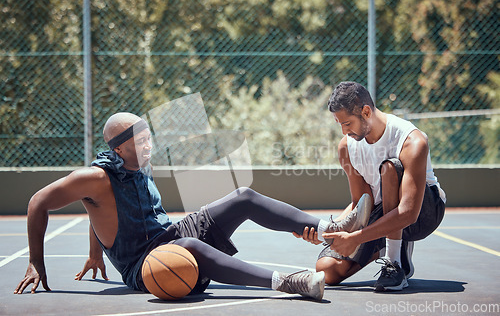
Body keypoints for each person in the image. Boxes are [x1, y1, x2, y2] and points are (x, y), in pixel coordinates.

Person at [14, 112, 371, 301]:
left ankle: (333, 229)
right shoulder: (94, 176)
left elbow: (98, 211)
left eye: (149, 138)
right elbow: (38, 201)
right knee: (187, 246)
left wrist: (95, 253)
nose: (149, 146)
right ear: (118, 148)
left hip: (169, 234)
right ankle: (289, 283)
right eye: (140, 141)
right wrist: (35, 261)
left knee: (242, 196)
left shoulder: (135, 164)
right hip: (144, 263)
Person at [298, 82, 446, 291]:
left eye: (347, 123)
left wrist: (356, 239)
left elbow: (409, 213)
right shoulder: (346, 148)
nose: (344, 131)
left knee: (389, 169)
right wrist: (327, 230)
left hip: (423, 213)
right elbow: (361, 204)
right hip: (381, 211)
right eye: (339, 124)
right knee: (327, 270)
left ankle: (394, 262)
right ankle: (384, 243)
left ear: (366, 111)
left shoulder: (411, 139)